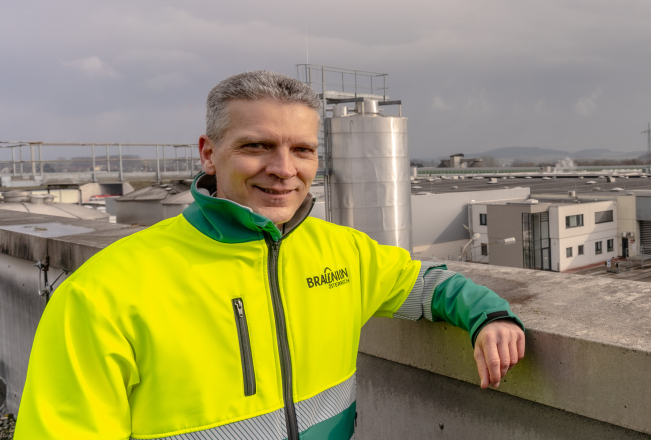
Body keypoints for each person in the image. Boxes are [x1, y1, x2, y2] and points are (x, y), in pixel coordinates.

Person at [16, 71, 526, 439]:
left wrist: (489, 317)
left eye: (302, 149)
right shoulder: (106, 290)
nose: (284, 169)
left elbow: (426, 284)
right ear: (208, 153)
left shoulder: (343, 251)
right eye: (257, 146)